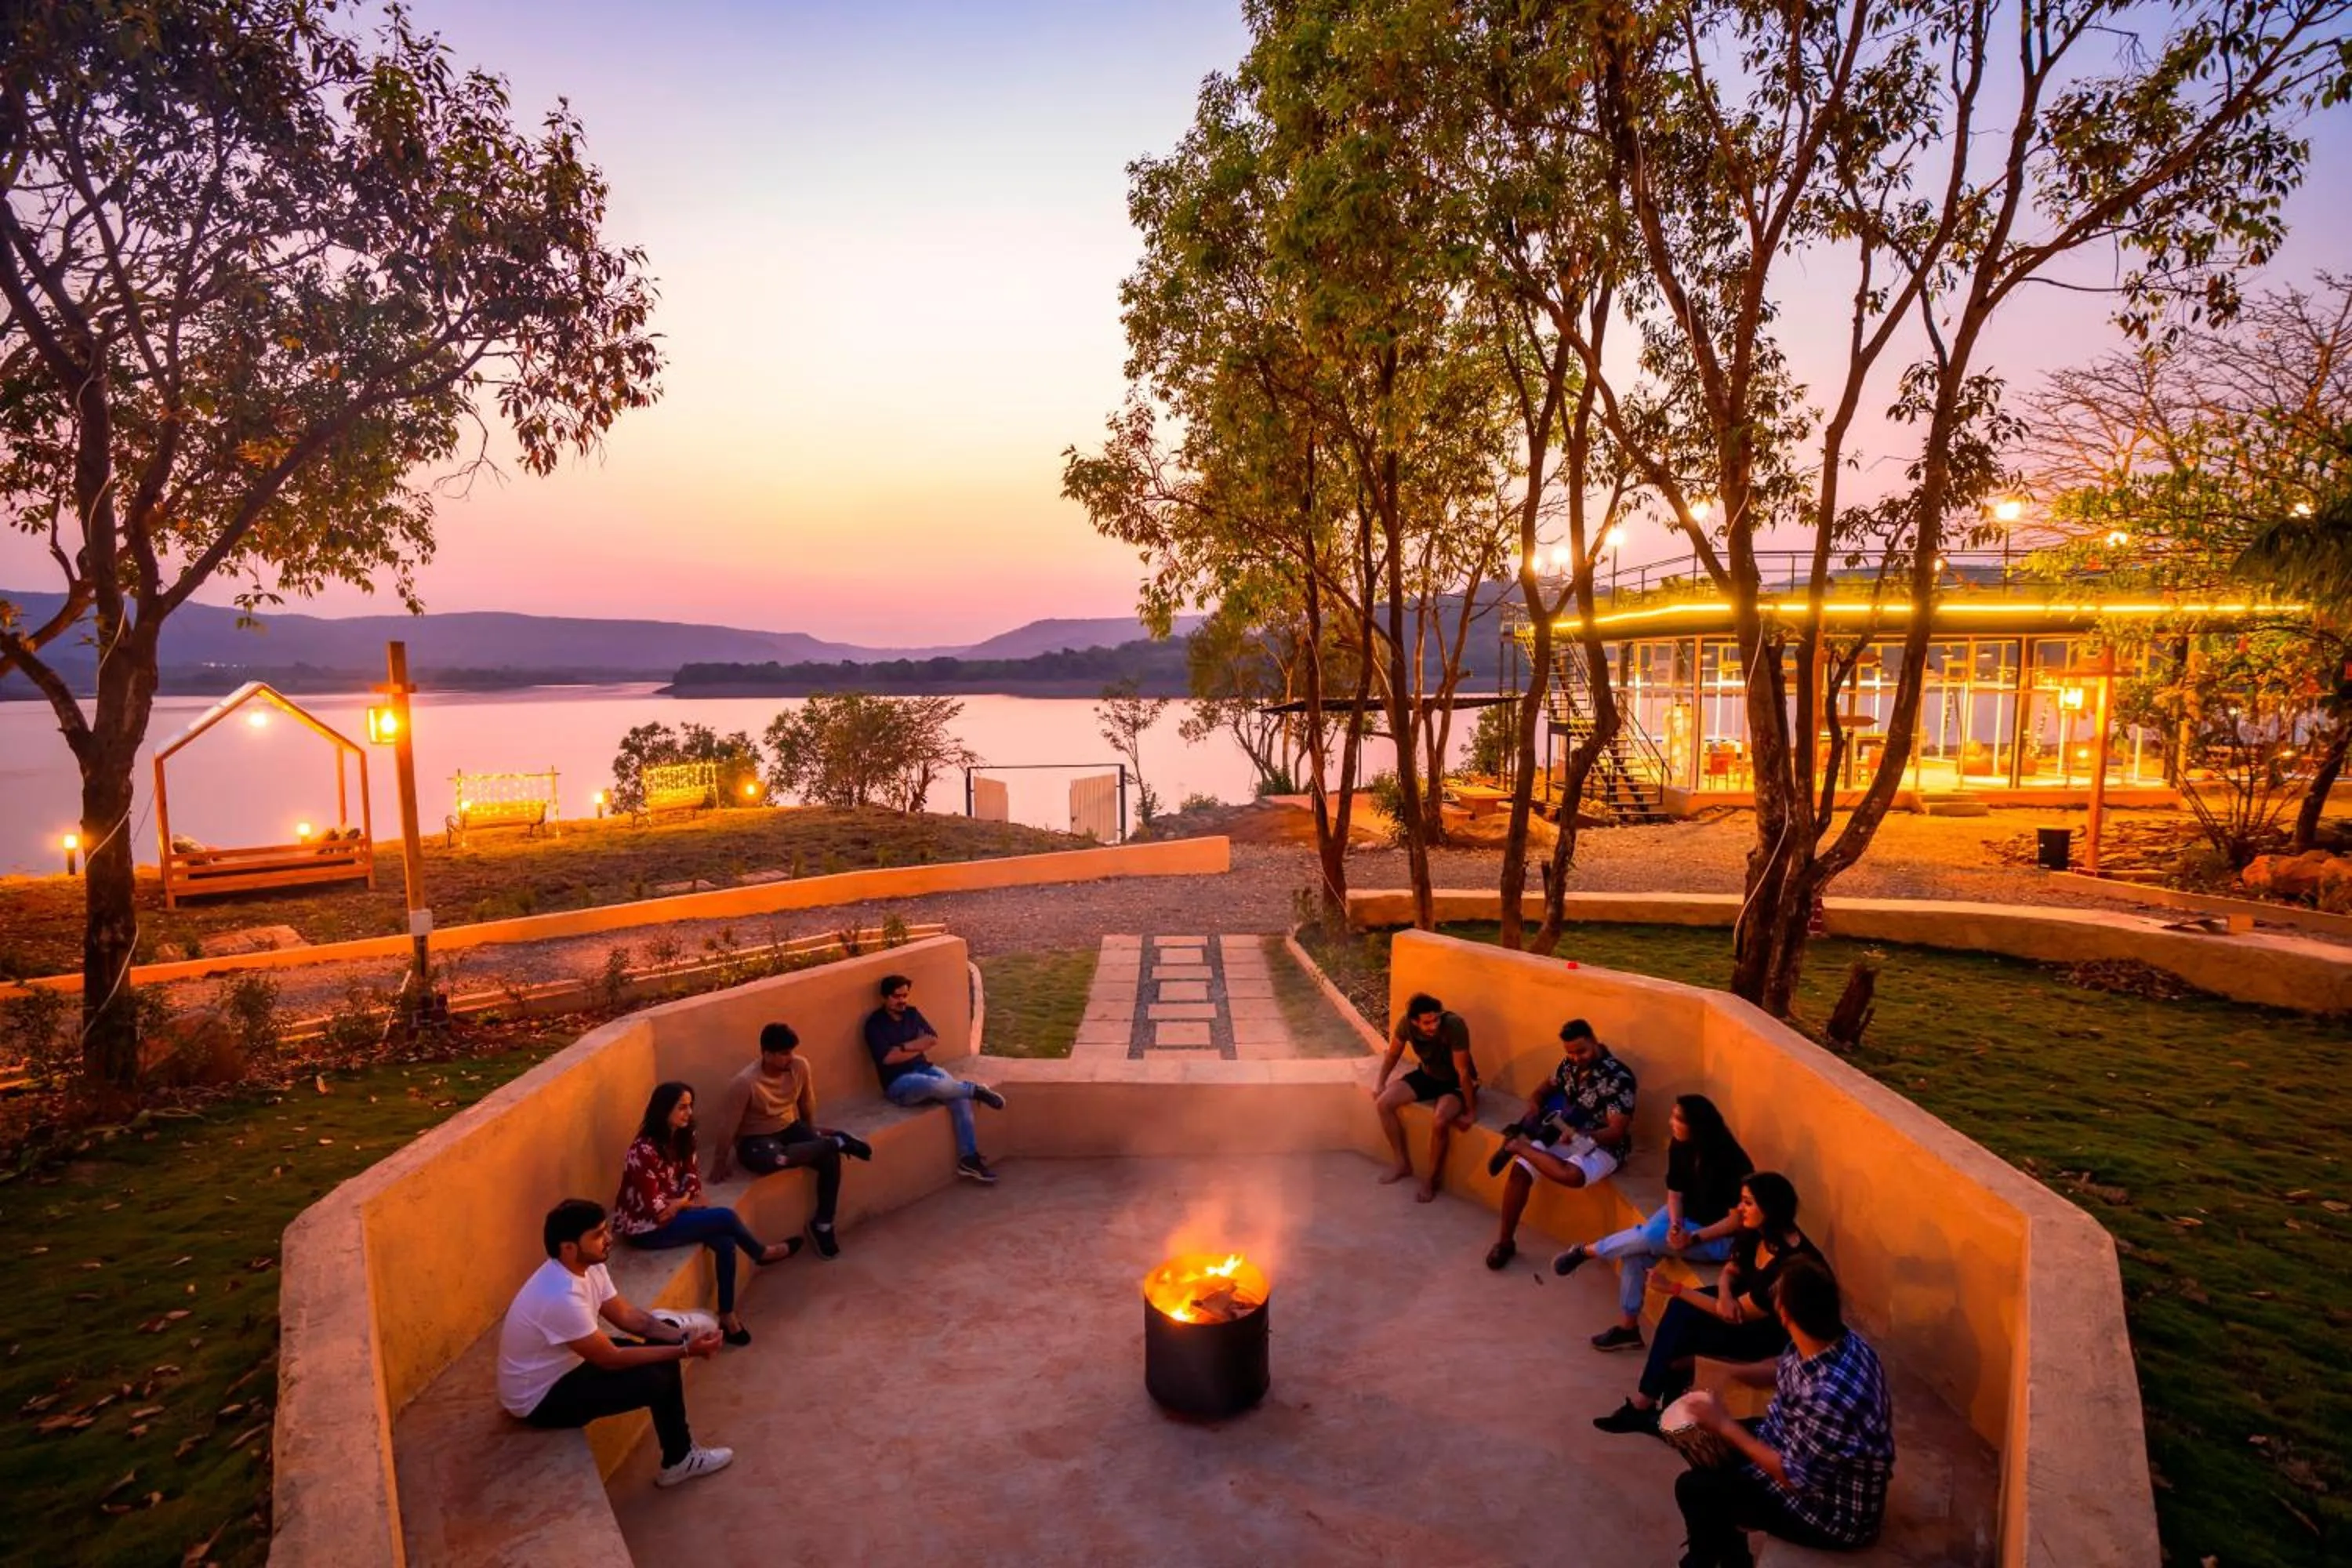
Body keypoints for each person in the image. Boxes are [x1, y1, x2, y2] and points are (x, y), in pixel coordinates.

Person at [1667, 1258, 1896, 1566]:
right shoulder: (1835, 1339)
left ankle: (1707, 1558)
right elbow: (1781, 1366)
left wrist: (1724, 1424)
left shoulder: (1829, 1397)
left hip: (1828, 1514)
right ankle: (1730, 1548)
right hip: (1792, 1444)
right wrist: (1732, 1373)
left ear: (1785, 1314)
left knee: (1695, 1487)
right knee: (1711, 1443)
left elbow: (1794, 1477)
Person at [497, 1198, 734, 1488]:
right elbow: (609, 1358)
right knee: (658, 1378)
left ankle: (679, 1457)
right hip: (540, 1397)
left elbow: (627, 1316)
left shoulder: (591, 1264)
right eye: (597, 1235)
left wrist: (685, 1339)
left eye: (605, 1230)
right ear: (568, 1247)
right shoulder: (561, 1295)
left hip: (569, 1364)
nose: (608, 1238)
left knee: (664, 1341)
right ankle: (680, 1458)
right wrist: (685, 1351)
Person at [1594, 1172, 1825, 1435]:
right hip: (1741, 1302)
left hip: (1769, 1332)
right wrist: (1725, 1292)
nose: (1739, 1208)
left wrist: (1673, 1288)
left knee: (1683, 1323)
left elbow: (1736, 1315)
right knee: (1681, 1313)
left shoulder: (1786, 1267)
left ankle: (1648, 1409)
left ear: (1769, 1207)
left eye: (1748, 1203)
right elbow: (1732, 1269)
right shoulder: (1758, 1232)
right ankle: (1658, 1408)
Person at [612, 1081, 808, 1345]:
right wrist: (685, 1202)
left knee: (725, 1242)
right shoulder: (641, 1151)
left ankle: (727, 1314)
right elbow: (656, 1210)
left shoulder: (685, 1136)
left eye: (690, 1106)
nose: (688, 1113)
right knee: (724, 1217)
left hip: (675, 1216)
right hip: (646, 1229)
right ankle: (761, 1253)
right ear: (663, 1109)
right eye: (682, 1107)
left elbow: (692, 1178)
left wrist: (680, 1201)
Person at [1551, 1093, 1753, 1347]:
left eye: (1678, 1119)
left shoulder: (1731, 1161)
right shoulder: (1680, 1145)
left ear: (1697, 1126)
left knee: (1648, 1236)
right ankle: (1628, 1329)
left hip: (1721, 1237)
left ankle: (1587, 1251)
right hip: (1687, 1219)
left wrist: (1693, 1237)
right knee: (1636, 1252)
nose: (1671, 1122)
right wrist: (1678, 1226)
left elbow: (1736, 1222)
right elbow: (1675, 1194)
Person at [707, 1024, 876, 1260]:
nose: (790, 1057)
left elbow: (807, 1102)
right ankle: (836, 1141)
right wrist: (720, 1161)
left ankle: (823, 1225)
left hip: (790, 1128)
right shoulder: (745, 1083)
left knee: (829, 1159)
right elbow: (729, 1125)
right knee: (775, 1159)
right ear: (767, 1054)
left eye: (791, 1051)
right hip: (757, 1140)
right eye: (784, 1053)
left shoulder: (800, 1066)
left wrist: (811, 1132)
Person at [1482, 1018, 1636, 1269]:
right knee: (1520, 1171)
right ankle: (1505, 1242)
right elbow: (1542, 1091)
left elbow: (1616, 1131)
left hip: (1602, 1143)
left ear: (1595, 1042)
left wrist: (1585, 1134)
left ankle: (1518, 1144)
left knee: (1573, 1175)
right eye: (1570, 1053)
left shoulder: (1618, 1077)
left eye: (1581, 1051)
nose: (1576, 1058)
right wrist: (1534, 1102)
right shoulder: (1567, 1065)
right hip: (1562, 1132)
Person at [864, 973, 1006, 1184]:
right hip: (899, 1083)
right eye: (896, 996)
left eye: (905, 995)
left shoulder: (912, 1014)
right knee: (935, 1085)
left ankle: (968, 1159)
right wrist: (914, 1045)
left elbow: (931, 1040)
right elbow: (888, 1059)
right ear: (885, 997)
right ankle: (974, 1090)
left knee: (956, 1096)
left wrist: (903, 1047)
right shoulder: (874, 1024)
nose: (902, 1001)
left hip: (925, 1068)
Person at [1372, 993, 1479, 1203]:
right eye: (1427, 1022)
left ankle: (1431, 1180)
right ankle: (1401, 1164)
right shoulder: (1406, 1025)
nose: (1434, 1025)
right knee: (1383, 1103)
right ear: (1415, 1021)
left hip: (1454, 1083)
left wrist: (1470, 1111)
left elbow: (1463, 1072)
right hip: (1428, 1075)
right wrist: (1380, 1082)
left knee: (1440, 1120)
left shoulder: (1454, 1026)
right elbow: (1393, 1054)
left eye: (1436, 1019)